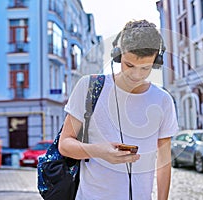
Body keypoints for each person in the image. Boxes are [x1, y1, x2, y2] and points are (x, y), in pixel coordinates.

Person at [59, 19, 178, 200]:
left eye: (145, 68)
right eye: (129, 65)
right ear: (117, 55)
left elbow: (163, 162)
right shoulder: (89, 87)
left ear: (157, 61)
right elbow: (65, 145)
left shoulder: (163, 100)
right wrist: (99, 151)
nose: (136, 75)